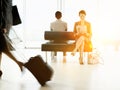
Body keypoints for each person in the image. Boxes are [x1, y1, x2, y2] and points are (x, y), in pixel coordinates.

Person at [0, 0, 24, 77]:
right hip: (8, 21)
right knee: (2, 48)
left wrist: (3, 25)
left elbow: (1, 10)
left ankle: (19, 63)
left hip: (2, 24)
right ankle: (19, 63)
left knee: (3, 48)